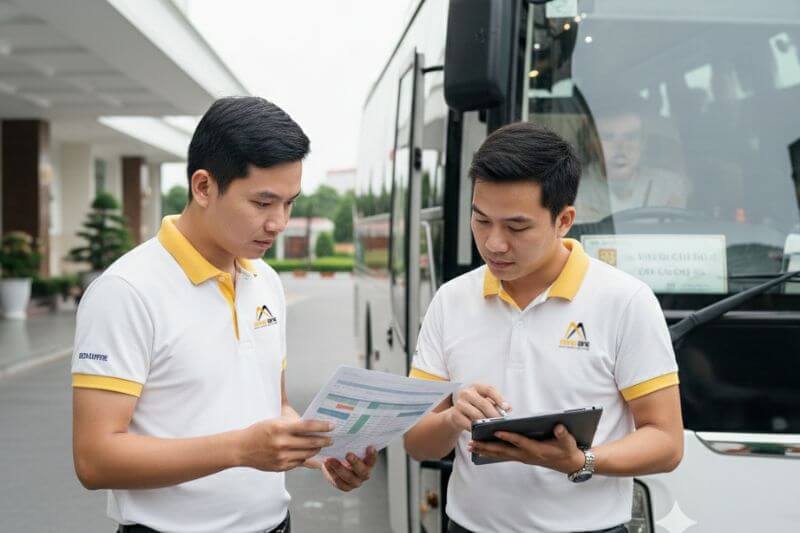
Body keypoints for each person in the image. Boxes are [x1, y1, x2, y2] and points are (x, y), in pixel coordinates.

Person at [71, 96, 375, 533]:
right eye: (263, 202)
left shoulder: (265, 279)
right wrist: (241, 450)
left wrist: (317, 449)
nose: (279, 223)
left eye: (289, 203)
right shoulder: (126, 291)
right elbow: (94, 459)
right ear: (203, 187)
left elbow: (277, 405)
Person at [404, 122, 684, 533]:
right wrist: (452, 421)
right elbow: (415, 442)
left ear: (564, 220)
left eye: (517, 227)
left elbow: (666, 441)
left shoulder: (624, 300)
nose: (494, 243)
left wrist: (581, 462)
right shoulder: (451, 299)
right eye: (481, 221)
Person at [575, 97, 689, 222]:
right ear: (592, 144)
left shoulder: (670, 186)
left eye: (631, 137)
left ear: (643, 143)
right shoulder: (574, 189)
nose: (621, 147)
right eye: (608, 137)